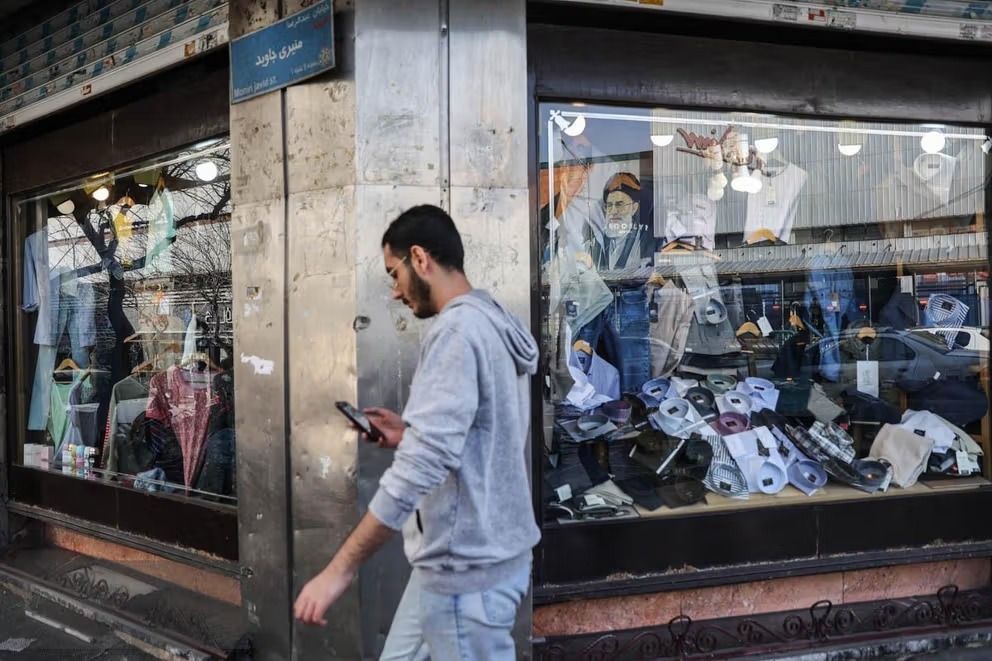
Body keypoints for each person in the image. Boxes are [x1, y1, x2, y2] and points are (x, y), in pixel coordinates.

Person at [293, 205, 541, 659]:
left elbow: (418, 470)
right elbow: (480, 436)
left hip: (467, 572)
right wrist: (408, 434)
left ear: (420, 258)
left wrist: (339, 571)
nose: (394, 292)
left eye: (394, 273)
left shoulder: (457, 333)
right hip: (467, 559)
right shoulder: (489, 319)